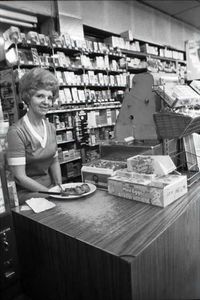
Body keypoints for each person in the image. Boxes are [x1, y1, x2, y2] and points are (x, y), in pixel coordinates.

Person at [6, 67, 62, 204]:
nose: (46, 102)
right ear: (28, 97)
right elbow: (20, 177)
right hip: (27, 194)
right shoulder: (16, 132)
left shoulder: (51, 128)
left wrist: (60, 186)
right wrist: (51, 194)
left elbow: (54, 161)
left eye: (49, 97)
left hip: (49, 190)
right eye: (40, 96)